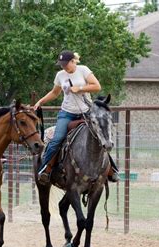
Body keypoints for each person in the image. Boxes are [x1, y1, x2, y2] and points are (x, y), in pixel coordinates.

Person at [33, 50, 119, 183]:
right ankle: (45, 168)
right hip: (67, 113)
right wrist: (40, 101)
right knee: (57, 139)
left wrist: (80, 89)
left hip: (86, 112)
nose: (64, 67)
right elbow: (54, 93)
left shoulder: (83, 70)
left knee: (100, 135)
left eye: (66, 64)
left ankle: (111, 169)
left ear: (73, 61)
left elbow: (97, 86)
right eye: (62, 64)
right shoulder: (60, 75)